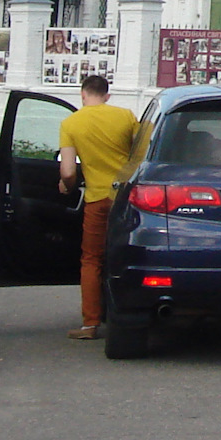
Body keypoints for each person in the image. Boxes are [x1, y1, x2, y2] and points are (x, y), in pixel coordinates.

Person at [57, 74, 138, 340]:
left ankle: (90, 324)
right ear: (107, 95)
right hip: (127, 198)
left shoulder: (70, 123)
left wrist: (66, 187)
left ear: (82, 95)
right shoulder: (125, 116)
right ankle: (132, 312)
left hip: (96, 200)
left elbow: (68, 171)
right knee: (130, 255)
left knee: (91, 260)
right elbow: (142, 157)